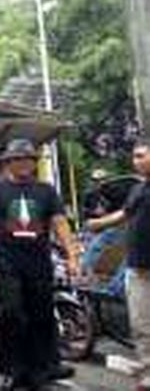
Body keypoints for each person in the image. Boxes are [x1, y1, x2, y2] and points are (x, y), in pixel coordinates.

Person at [0, 138, 79, 391]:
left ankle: (41, 369)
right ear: (8, 162)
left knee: (41, 315)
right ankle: (12, 369)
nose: (23, 163)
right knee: (12, 314)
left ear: (34, 163)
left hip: (39, 263)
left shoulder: (46, 190)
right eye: (17, 159)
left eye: (28, 159)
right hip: (7, 263)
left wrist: (72, 256)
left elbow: (60, 223)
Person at [87, 139, 150, 391]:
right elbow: (124, 215)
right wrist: (97, 224)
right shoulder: (138, 189)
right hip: (137, 269)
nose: (137, 160)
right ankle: (148, 370)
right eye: (135, 156)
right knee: (142, 325)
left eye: (142, 155)